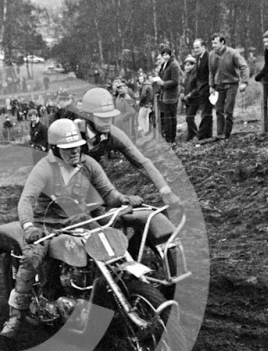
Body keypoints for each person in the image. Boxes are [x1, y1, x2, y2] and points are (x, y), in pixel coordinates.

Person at [0, 118, 144, 339]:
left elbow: (108, 193)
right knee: (32, 257)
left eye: (77, 146)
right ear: (55, 149)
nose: (74, 151)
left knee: (109, 247)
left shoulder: (89, 164)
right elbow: (26, 200)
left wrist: (122, 199)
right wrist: (29, 226)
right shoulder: (44, 168)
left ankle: (109, 297)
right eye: (68, 149)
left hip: (77, 219)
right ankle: (15, 316)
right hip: (46, 224)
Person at [57, 87, 182, 262]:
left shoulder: (113, 133)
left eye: (110, 116)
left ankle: (127, 256)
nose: (108, 122)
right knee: (65, 233)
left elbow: (142, 162)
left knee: (133, 216)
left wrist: (164, 190)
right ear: (88, 115)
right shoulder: (72, 133)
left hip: (94, 178)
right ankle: (51, 285)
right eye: (102, 117)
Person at [208, 33, 249, 140]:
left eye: (215, 43)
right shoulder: (211, 55)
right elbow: (211, 72)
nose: (213, 45)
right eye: (212, 43)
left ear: (222, 42)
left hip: (231, 85)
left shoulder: (233, 53)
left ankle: (226, 134)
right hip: (218, 86)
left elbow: (243, 66)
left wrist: (244, 82)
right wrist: (211, 85)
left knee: (228, 110)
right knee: (218, 110)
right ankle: (220, 133)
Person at [154, 47, 181, 143]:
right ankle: (167, 137)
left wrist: (163, 83)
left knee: (171, 118)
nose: (165, 56)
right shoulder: (164, 65)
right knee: (166, 117)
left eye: (167, 54)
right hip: (164, 95)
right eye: (163, 54)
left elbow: (175, 81)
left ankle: (171, 139)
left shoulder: (174, 65)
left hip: (171, 96)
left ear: (170, 55)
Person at [188, 38, 212, 140]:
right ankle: (207, 134)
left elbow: (210, 73)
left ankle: (201, 135)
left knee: (206, 112)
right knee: (205, 112)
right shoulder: (198, 58)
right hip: (200, 89)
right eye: (194, 48)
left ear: (203, 47)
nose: (196, 50)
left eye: (197, 47)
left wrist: (210, 86)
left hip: (207, 88)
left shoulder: (208, 57)